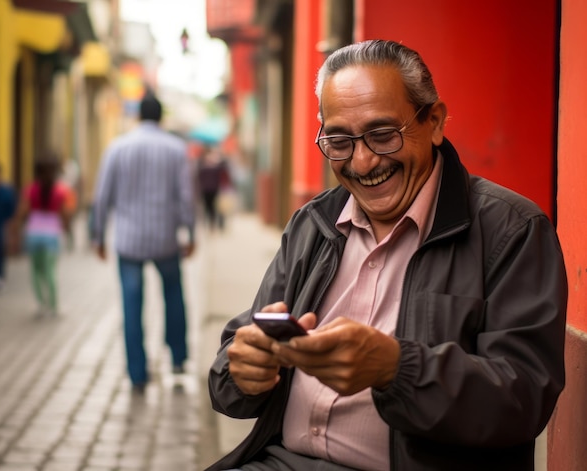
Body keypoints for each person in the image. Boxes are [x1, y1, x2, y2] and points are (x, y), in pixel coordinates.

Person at [206, 39, 568, 471]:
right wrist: (242, 370)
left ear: (434, 122)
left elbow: (524, 397)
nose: (361, 163)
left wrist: (397, 369)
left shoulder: (511, 230)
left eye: (382, 135)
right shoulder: (312, 224)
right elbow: (236, 363)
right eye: (339, 141)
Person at [93, 94, 196, 393]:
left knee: (131, 304)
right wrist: (190, 233)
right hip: (165, 238)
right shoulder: (176, 150)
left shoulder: (117, 148)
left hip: (128, 242)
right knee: (174, 295)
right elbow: (186, 198)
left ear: (138, 116)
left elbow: (102, 197)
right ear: (161, 117)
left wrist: (98, 235)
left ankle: (137, 373)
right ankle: (177, 357)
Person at [18, 154, 72, 316]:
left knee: (35, 271)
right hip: (51, 234)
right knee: (50, 271)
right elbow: (65, 214)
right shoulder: (60, 190)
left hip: (33, 233)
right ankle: (54, 305)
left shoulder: (30, 189)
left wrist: (18, 226)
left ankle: (41, 305)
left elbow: (23, 211)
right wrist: (68, 232)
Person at [197, 145, 232, 231]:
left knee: (214, 208)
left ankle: (213, 224)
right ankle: (208, 224)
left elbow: (224, 174)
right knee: (207, 207)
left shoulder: (219, 165)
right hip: (205, 190)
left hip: (215, 189)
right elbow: (199, 177)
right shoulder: (202, 164)